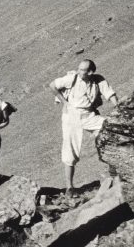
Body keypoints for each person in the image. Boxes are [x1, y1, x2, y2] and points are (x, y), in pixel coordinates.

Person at [49, 59, 119, 194]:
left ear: (91, 72)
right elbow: (52, 85)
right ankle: (70, 187)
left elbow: (109, 93)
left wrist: (118, 106)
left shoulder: (98, 80)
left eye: (83, 70)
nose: (80, 72)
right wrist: (64, 102)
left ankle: (112, 168)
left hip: (89, 114)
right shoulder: (72, 78)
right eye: (79, 69)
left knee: (108, 131)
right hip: (72, 115)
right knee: (70, 150)